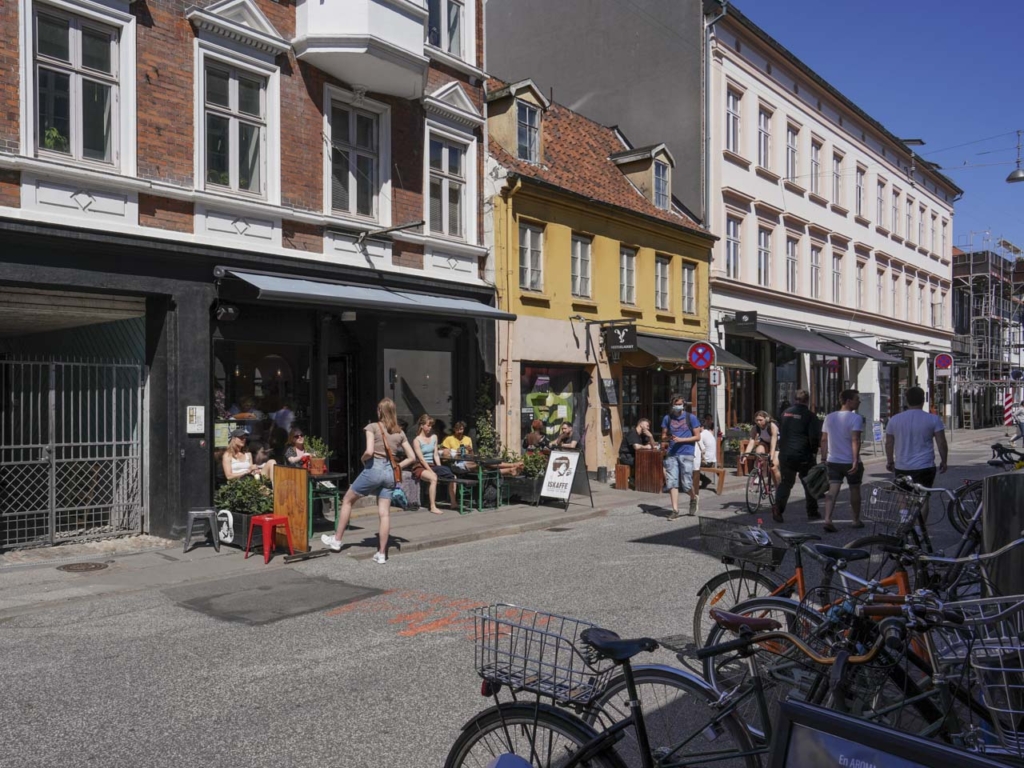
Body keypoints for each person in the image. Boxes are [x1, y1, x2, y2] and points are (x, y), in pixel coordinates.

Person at [321, 398, 415, 563]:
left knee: (348, 500)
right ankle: (381, 554)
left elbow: (369, 451)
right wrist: (398, 466)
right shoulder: (400, 432)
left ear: (380, 410)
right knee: (384, 513)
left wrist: (363, 459)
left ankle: (336, 540)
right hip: (390, 473)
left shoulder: (372, 427)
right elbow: (412, 457)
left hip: (374, 468)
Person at [774, 390, 822, 523]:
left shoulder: (785, 413)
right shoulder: (810, 416)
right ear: (807, 400)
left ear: (794, 399)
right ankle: (812, 512)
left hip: (786, 454)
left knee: (786, 482)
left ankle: (778, 508)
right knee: (809, 483)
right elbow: (814, 436)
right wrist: (813, 451)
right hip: (803, 455)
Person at [885, 386, 948, 488]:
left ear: (907, 401)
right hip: (924, 466)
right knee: (923, 497)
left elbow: (889, 443)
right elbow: (941, 443)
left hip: (902, 466)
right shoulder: (933, 419)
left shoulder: (894, 420)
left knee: (902, 496)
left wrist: (890, 461)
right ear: (923, 400)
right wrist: (944, 461)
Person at [820, 389, 865, 533]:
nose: (859, 401)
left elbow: (824, 439)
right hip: (849, 460)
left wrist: (823, 458)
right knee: (855, 488)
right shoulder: (855, 418)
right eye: (856, 399)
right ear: (848, 401)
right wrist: (855, 460)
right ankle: (855, 520)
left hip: (833, 460)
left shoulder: (829, 417)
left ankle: (827, 518)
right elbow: (855, 440)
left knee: (832, 489)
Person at [660, 394, 703, 519]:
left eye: (680, 404)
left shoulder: (691, 418)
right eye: (676, 404)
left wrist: (681, 439)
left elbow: (697, 437)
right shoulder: (667, 418)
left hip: (687, 452)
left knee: (686, 483)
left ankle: (693, 497)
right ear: (672, 405)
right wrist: (669, 438)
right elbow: (663, 436)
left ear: (683, 405)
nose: (678, 406)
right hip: (672, 453)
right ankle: (675, 510)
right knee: (671, 482)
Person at [410, 414, 456, 514]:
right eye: (428, 425)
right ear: (422, 425)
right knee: (433, 478)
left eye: (431, 425)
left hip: (432, 465)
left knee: (453, 476)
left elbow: (435, 455)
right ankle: (432, 506)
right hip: (420, 466)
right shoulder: (417, 440)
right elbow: (421, 459)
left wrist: (439, 467)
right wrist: (431, 471)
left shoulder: (434, 437)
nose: (430, 428)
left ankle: (453, 502)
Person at [747, 411, 781, 485]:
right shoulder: (755, 428)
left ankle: (779, 486)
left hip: (777, 444)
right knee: (759, 452)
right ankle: (761, 473)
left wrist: (771, 456)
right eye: (757, 420)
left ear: (766, 419)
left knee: (773, 467)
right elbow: (752, 441)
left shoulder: (772, 426)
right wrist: (745, 454)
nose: (758, 422)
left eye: (760, 420)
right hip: (765, 442)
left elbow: (773, 441)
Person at [693, 415, 718, 490]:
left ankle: (702, 482)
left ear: (700, 426)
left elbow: (701, 449)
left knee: (689, 466)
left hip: (706, 461)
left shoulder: (701, 435)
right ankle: (705, 480)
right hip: (712, 460)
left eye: (696, 427)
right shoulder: (708, 433)